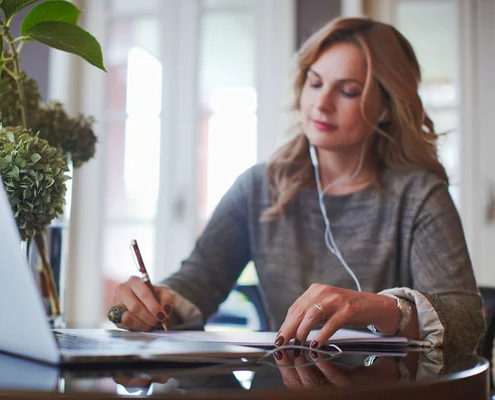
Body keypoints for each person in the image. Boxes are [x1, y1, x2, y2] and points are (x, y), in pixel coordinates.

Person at [109, 16, 485, 352]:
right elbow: (197, 283)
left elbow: (466, 322)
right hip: (287, 388)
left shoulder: (419, 196)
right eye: (315, 82)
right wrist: (151, 304)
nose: (321, 104)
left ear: (387, 109)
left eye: (348, 91)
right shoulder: (257, 188)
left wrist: (378, 307)